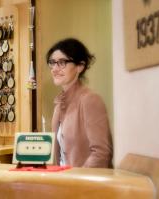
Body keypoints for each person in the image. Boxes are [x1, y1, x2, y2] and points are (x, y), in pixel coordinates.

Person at [47, 38, 113, 168]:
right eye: (52, 62)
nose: (54, 69)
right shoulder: (59, 104)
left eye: (62, 63)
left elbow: (101, 154)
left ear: (80, 66)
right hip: (63, 182)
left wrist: (75, 182)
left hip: (84, 185)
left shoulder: (90, 100)